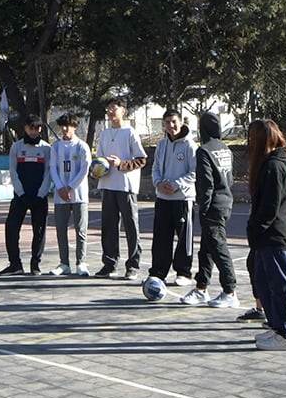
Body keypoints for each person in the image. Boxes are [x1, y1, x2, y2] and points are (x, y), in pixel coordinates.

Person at [245, 118, 286, 351]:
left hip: (272, 235)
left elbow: (270, 207)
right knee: (265, 282)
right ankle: (277, 327)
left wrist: (256, 229)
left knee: (279, 283)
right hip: (264, 237)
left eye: (252, 138)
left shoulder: (274, 166)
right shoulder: (270, 163)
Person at [182, 111, 240, 309]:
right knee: (206, 249)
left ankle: (230, 290)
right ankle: (201, 288)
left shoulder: (204, 151)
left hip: (213, 205)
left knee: (218, 247)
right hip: (225, 202)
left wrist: (203, 206)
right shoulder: (225, 149)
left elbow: (206, 183)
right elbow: (230, 179)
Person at [94, 97, 147, 280]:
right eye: (107, 108)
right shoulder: (104, 134)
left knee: (131, 226)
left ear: (123, 110)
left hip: (126, 187)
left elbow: (141, 159)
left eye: (113, 108)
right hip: (108, 186)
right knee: (108, 226)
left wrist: (121, 164)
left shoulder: (130, 132)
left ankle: (133, 265)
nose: (109, 111)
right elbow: (99, 159)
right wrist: (97, 170)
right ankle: (109, 264)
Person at [0, 114, 52, 276]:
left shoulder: (46, 148)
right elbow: (13, 170)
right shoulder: (16, 147)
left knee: (40, 230)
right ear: (25, 128)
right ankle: (15, 263)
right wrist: (20, 192)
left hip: (39, 197)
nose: (33, 132)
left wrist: (42, 193)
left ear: (40, 129)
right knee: (11, 228)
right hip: (20, 196)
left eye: (37, 128)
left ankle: (35, 263)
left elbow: (48, 172)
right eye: (30, 128)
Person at [149, 109, 197, 286]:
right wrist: (158, 183)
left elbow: (194, 172)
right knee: (161, 237)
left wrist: (175, 185)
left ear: (181, 122)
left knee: (184, 237)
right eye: (167, 122)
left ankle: (183, 272)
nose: (171, 126)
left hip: (183, 199)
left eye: (174, 122)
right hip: (163, 199)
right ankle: (158, 272)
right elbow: (155, 169)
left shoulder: (190, 145)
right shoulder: (162, 145)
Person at [47, 112, 92, 276]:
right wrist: (60, 187)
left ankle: (81, 262)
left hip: (78, 194)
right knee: (60, 229)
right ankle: (64, 263)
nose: (65, 129)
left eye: (68, 126)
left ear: (75, 127)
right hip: (61, 196)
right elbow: (53, 168)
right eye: (62, 126)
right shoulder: (56, 147)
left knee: (81, 229)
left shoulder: (82, 146)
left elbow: (84, 169)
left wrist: (71, 187)